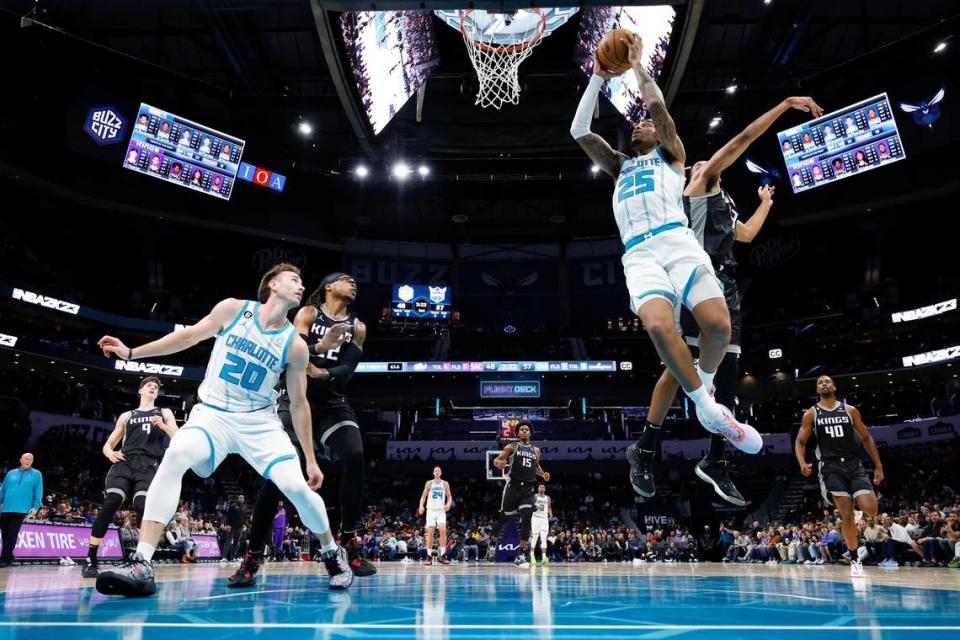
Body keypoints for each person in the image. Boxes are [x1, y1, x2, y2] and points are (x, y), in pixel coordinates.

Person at [93, 263, 353, 596]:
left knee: (297, 489)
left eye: (303, 282)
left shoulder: (295, 345)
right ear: (272, 285)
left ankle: (332, 552)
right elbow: (187, 336)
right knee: (176, 455)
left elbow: (299, 404)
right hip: (212, 415)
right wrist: (131, 352)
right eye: (294, 280)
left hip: (260, 423)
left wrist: (310, 459)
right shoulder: (233, 310)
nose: (302, 286)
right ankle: (142, 563)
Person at [570, 32, 760, 459]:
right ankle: (708, 407)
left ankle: (704, 384)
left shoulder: (672, 156)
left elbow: (657, 108)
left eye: (647, 125)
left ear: (661, 136)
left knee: (719, 327)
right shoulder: (619, 166)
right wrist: (598, 78)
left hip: (678, 241)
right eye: (638, 125)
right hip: (639, 253)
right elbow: (579, 129)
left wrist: (637, 64)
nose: (640, 124)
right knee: (658, 326)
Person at [627, 94, 821, 504]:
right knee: (678, 372)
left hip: (726, 286)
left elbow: (747, 235)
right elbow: (744, 138)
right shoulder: (698, 184)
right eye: (701, 163)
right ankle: (647, 444)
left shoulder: (724, 202)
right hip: (694, 278)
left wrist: (766, 204)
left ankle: (713, 458)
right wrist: (784, 104)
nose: (706, 164)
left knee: (725, 377)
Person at [227, 272, 373, 588]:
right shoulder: (307, 313)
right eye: (345, 279)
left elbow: (346, 372)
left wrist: (320, 372)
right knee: (275, 480)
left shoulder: (358, 327)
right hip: (295, 401)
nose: (353, 283)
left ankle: (348, 539)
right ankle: (252, 557)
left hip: (332, 404)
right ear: (328, 286)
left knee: (356, 454)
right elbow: (295, 354)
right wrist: (321, 349)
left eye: (354, 281)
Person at [82, 377, 178, 578]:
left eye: (155, 387)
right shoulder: (127, 415)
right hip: (125, 462)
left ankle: (142, 558)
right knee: (112, 502)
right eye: (149, 386)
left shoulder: (164, 412)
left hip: (149, 464)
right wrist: (110, 453)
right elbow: (108, 444)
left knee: (142, 504)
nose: (152, 388)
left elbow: (178, 436)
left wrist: (162, 425)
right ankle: (90, 558)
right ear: (140, 391)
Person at [795, 375, 883, 576]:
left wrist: (878, 466)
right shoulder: (811, 414)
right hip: (830, 467)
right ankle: (854, 560)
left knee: (870, 509)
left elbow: (867, 437)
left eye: (827, 381)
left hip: (854, 464)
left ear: (834, 386)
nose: (824, 384)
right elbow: (800, 441)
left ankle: (858, 504)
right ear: (817, 390)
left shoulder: (850, 410)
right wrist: (802, 462)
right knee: (847, 514)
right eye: (820, 382)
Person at [492, 422, 549, 568]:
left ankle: (521, 555)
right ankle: (492, 543)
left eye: (527, 429)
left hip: (528, 490)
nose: (524, 431)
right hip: (513, 488)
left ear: (530, 433)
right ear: (518, 434)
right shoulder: (512, 446)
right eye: (521, 430)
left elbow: (535, 466)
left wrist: (543, 474)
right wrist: (499, 463)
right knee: (504, 518)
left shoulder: (536, 450)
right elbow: (497, 460)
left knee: (526, 517)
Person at [0, 453, 43, 568]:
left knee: (12, 534)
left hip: (21, 509)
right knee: (4, 534)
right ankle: (8, 555)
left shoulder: (37, 474)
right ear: (20, 460)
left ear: (32, 461)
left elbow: (38, 491)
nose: (28, 461)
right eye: (26, 458)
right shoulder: (10, 473)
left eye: (30, 459)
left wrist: (35, 507)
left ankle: (5, 558)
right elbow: (3, 489)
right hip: (6, 508)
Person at [417, 466, 452, 566]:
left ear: (441, 473)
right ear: (433, 473)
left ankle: (442, 555)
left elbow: (449, 497)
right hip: (431, 511)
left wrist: (448, 504)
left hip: (441, 510)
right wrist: (421, 506)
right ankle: (429, 557)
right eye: (435, 471)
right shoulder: (429, 483)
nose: (437, 472)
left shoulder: (445, 483)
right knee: (430, 532)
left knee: (443, 530)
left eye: (439, 471)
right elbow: (423, 496)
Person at [530, 483, 552, 565]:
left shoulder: (548, 498)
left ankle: (544, 557)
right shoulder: (535, 496)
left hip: (544, 520)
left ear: (545, 489)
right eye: (540, 487)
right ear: (538, 489)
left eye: (543, 487)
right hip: (535, 518)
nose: (542, 488)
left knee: (543, 538)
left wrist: (551, 514)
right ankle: (532, 555)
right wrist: (538, 507)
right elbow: (531, 506)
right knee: (535, 537)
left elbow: (549, 507)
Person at [224, 495, 247, 561]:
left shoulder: (245, 507)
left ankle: (232, 558)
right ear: (238, 499)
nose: (242, 499)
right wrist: (227, 524)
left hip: (239, 528)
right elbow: (228, 516)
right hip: (232, 527)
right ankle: (224, 557)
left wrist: (244, 524)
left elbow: (244, 517)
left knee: (236, 543)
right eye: (240, 497)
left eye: (243, 498)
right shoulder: (233, 506)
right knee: (228, 542)